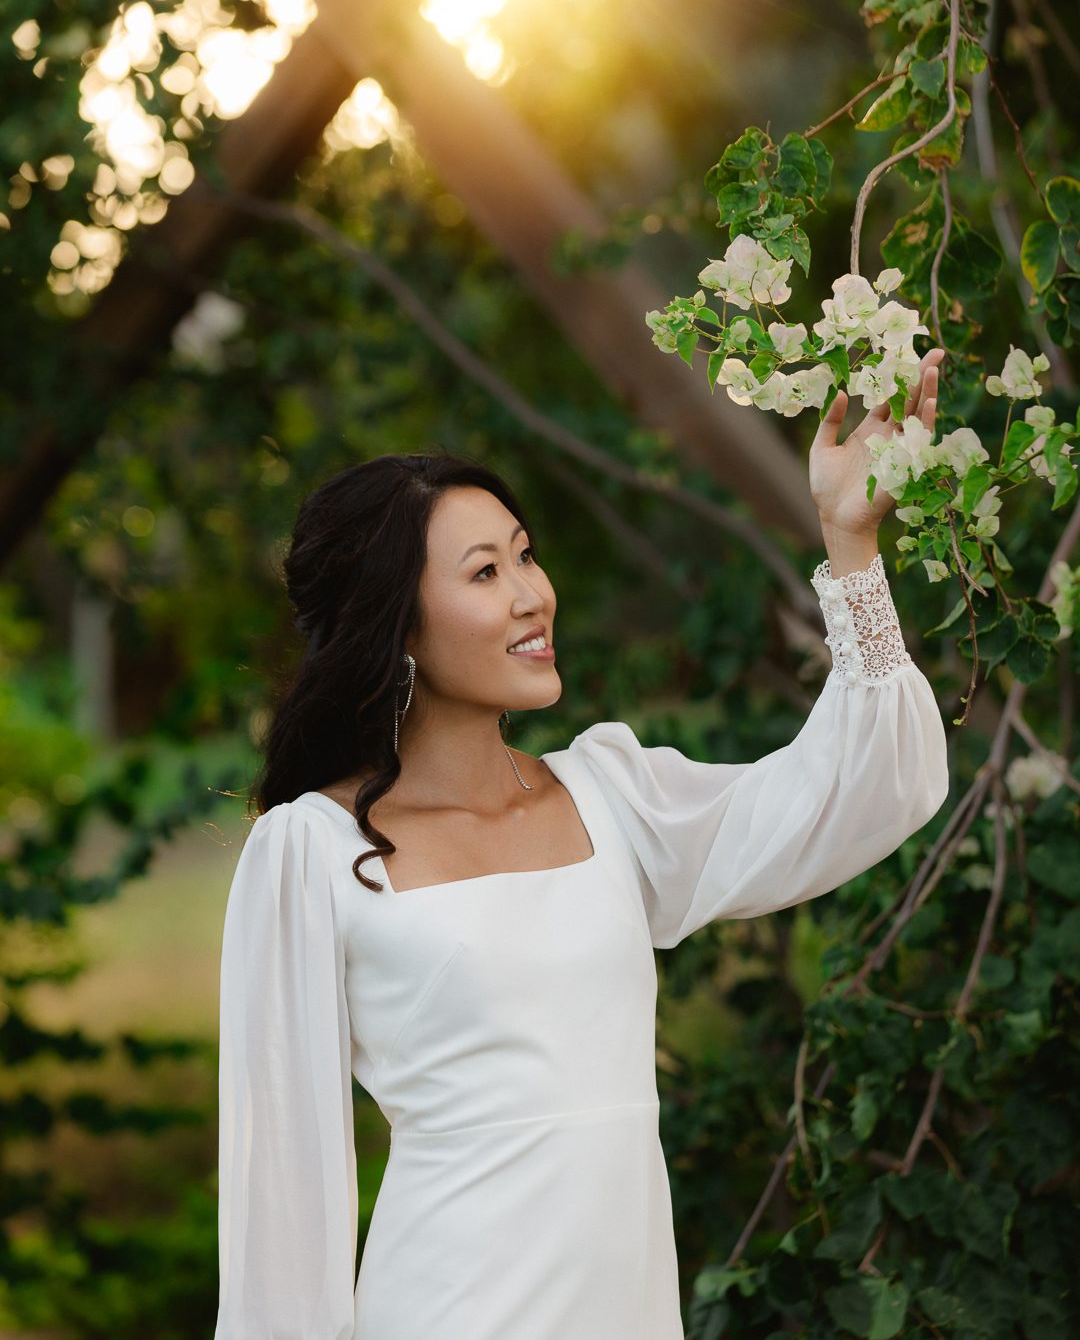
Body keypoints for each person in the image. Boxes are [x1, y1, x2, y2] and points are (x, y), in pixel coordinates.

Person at [213, 352, 949, 1340]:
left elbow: (865, 788)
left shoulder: (614, 798)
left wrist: (851, 550)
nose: (531, 595)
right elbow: (283, 1196)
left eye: (525, 554)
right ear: (400, 630)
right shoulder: (313, 854)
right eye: (484, 573)